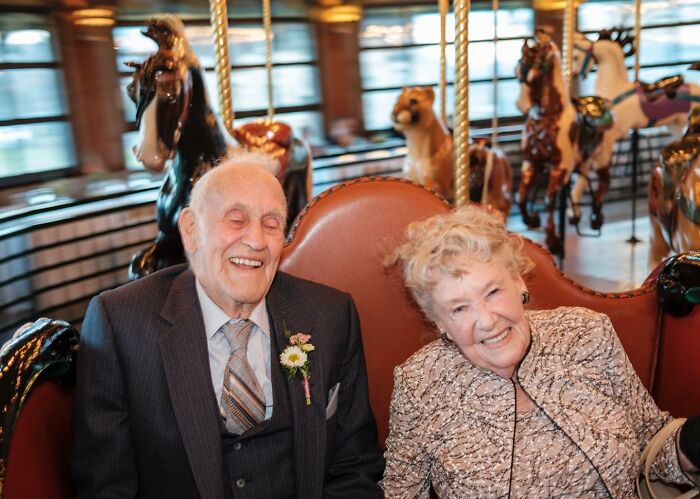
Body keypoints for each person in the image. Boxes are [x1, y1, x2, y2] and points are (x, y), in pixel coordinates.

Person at [72, 152, 384, 498]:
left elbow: (355, 466)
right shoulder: (121, 325)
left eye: (271, 223)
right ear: (191, 230)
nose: (255, 240)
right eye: (236, 220)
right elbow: (106, 487)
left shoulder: (330, 315)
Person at [381, 205, 700, 497]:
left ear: (519, 281)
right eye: (459, 309)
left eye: (493, 292)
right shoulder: (420, 382)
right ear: (440, 323)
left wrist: (691, 445)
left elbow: (650, 441)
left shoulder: (585, 334)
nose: (487, 321)